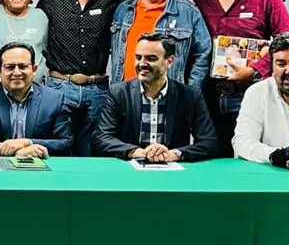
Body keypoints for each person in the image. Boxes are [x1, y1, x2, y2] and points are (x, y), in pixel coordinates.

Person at [194, 0, 289, 159]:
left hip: (251, 94)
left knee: (253, 158)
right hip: (209, 97)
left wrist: (254, 70)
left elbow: (287, 42)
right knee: (212, 160)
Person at [38, 0, 123, 157]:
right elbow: (34, 29)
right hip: (59, 86)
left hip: (98, 87)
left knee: (93, 150)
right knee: (56, 147)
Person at [93, 32, 218, 162]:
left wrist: (174, 154)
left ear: (169, 61)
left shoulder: (190, 95)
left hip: (172, 168)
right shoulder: (118, 93)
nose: (142, 64)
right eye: (138, 57)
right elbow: (102, 138)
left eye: (151, 58)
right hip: (131, 167)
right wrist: (137, 152)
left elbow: (209, 142)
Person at [110, 0, 211, 86]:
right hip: (124, 95)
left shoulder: (188, 12)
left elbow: (203, 55)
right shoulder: (123, 10)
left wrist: (190, 93)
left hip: (169, 96)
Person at [0, 42, 71, 157]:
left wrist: (27, 142)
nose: (16, 73)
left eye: (23, 66)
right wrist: (16, 152)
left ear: (34, 69)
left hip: (41, 165)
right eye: (10, 67)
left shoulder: (54, 99)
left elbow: (65, 143)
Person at [234, 33, 289, 167]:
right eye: (281, 64)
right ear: (272, 68)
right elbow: (242, 143)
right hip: (272, 176)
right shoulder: (257, 92)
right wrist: (281, 155)